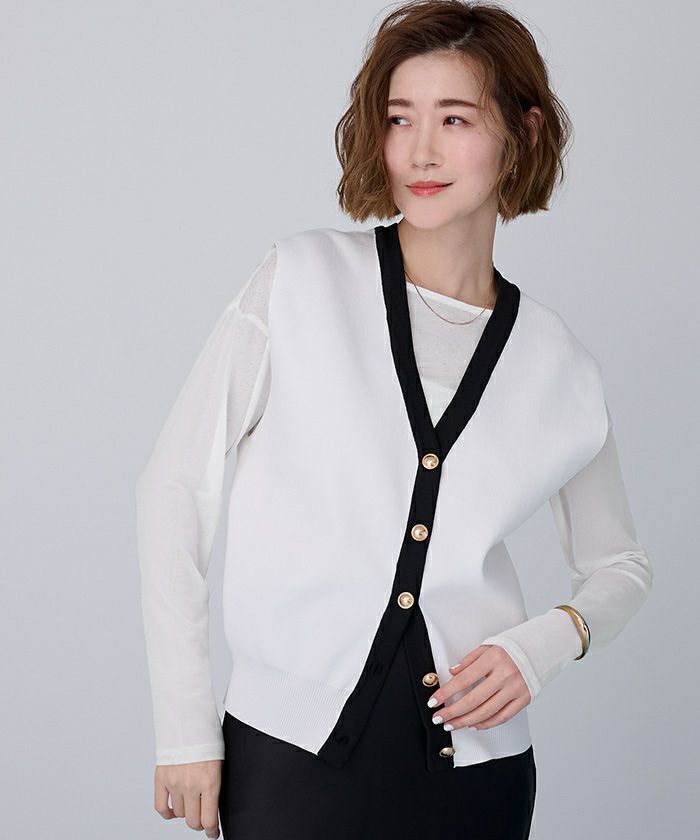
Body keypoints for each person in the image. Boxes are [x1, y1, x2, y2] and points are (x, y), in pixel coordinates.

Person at [135, 2, 654, 838]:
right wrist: (186, 730)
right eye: (400, 118)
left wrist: (546, 644)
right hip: (288, 759)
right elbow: (172, 490)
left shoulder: (559, 366)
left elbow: (620, 564)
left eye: (455, 119)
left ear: (521, 134)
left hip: (479, 778)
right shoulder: (302, 282)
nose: (420, 151)